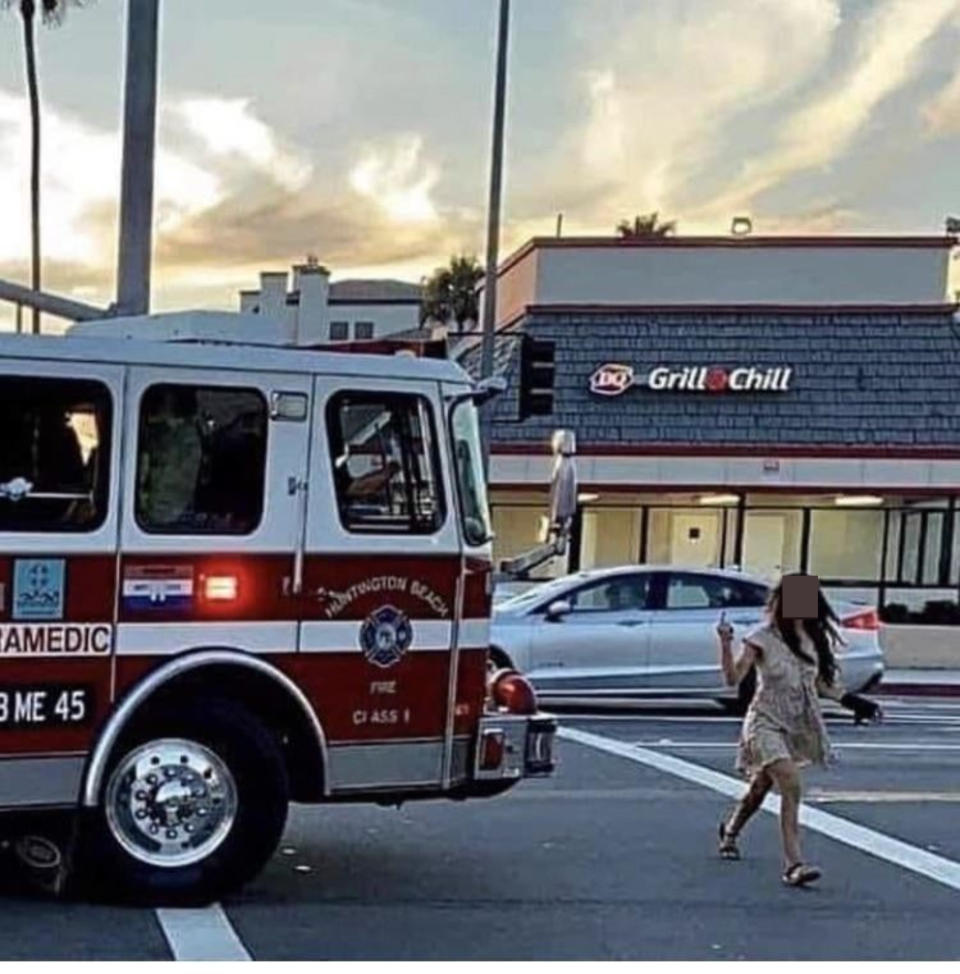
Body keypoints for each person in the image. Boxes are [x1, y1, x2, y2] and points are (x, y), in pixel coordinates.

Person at [715, 574, 880, 887]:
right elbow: (733, 678)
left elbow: (820, 684)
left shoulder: (813, 640)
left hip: (795, 725)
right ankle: (794, 864)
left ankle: (731, 830)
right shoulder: (761, 637)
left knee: (760, 787)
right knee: (791, 782)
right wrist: (725, 643)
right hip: (763, 721)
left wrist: (855, 703)